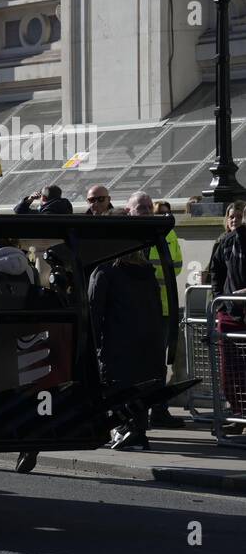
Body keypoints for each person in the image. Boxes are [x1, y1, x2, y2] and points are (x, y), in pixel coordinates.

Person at [88, 250, 166, 449]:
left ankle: (127, 428)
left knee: (116, 387)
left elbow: (93, 311)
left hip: (117, 341)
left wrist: (91, 344)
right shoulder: (147, 273)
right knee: (141, 386)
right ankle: (138, 431)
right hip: (149, 341)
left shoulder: (104, 272)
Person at [129, 191, 184, 426]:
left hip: (160, 310)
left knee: (157, 365)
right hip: (131, 312)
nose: (145, 209)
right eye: (140, 206)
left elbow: (177, 267)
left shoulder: (166, 232)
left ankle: (158, 411)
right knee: (131, 365)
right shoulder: (122, 232)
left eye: (147, 205)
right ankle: (132, 414)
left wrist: (146, 269)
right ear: (129, 210)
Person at [208, 200, 246, 429]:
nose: (236, 220)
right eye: (232, 217)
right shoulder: (224, 242)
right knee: (230, 369)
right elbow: (215, 273)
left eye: (239, 216)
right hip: (230, 313)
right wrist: (220, 302)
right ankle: (238, 413)